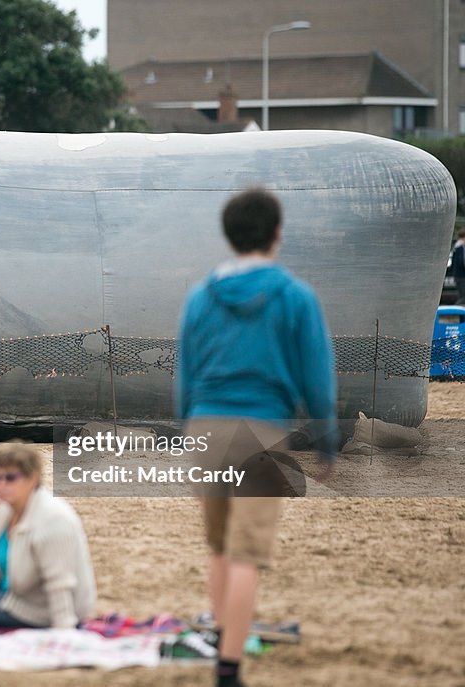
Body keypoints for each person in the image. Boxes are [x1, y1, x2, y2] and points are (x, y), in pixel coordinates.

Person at [175, 187, 337, 687]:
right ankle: (229, 669)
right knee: (248, 555)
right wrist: (328, 438)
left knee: (220, 549)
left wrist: (188, 429)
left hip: (205, 426)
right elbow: (317, 372)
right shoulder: (295, 296)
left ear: (229, 235)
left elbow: (185, 371)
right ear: (276, 233)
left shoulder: (201, 295)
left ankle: (221, 642)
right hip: (262, 430)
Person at [0, 442, 96, 629]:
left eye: (10, 478)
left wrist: (64, 629)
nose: (1, 485)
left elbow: (60, 582)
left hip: (42, 607)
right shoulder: (7, 512)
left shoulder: (53, 519)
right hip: (16, 595)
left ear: (33, 478)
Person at [451, 228, 465, 305]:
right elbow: (462, 262)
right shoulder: (460, 247)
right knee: (463, 297)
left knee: (462, 296)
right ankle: (453, 310)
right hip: (461, 276)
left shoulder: (456, 247)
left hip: (458, 276)